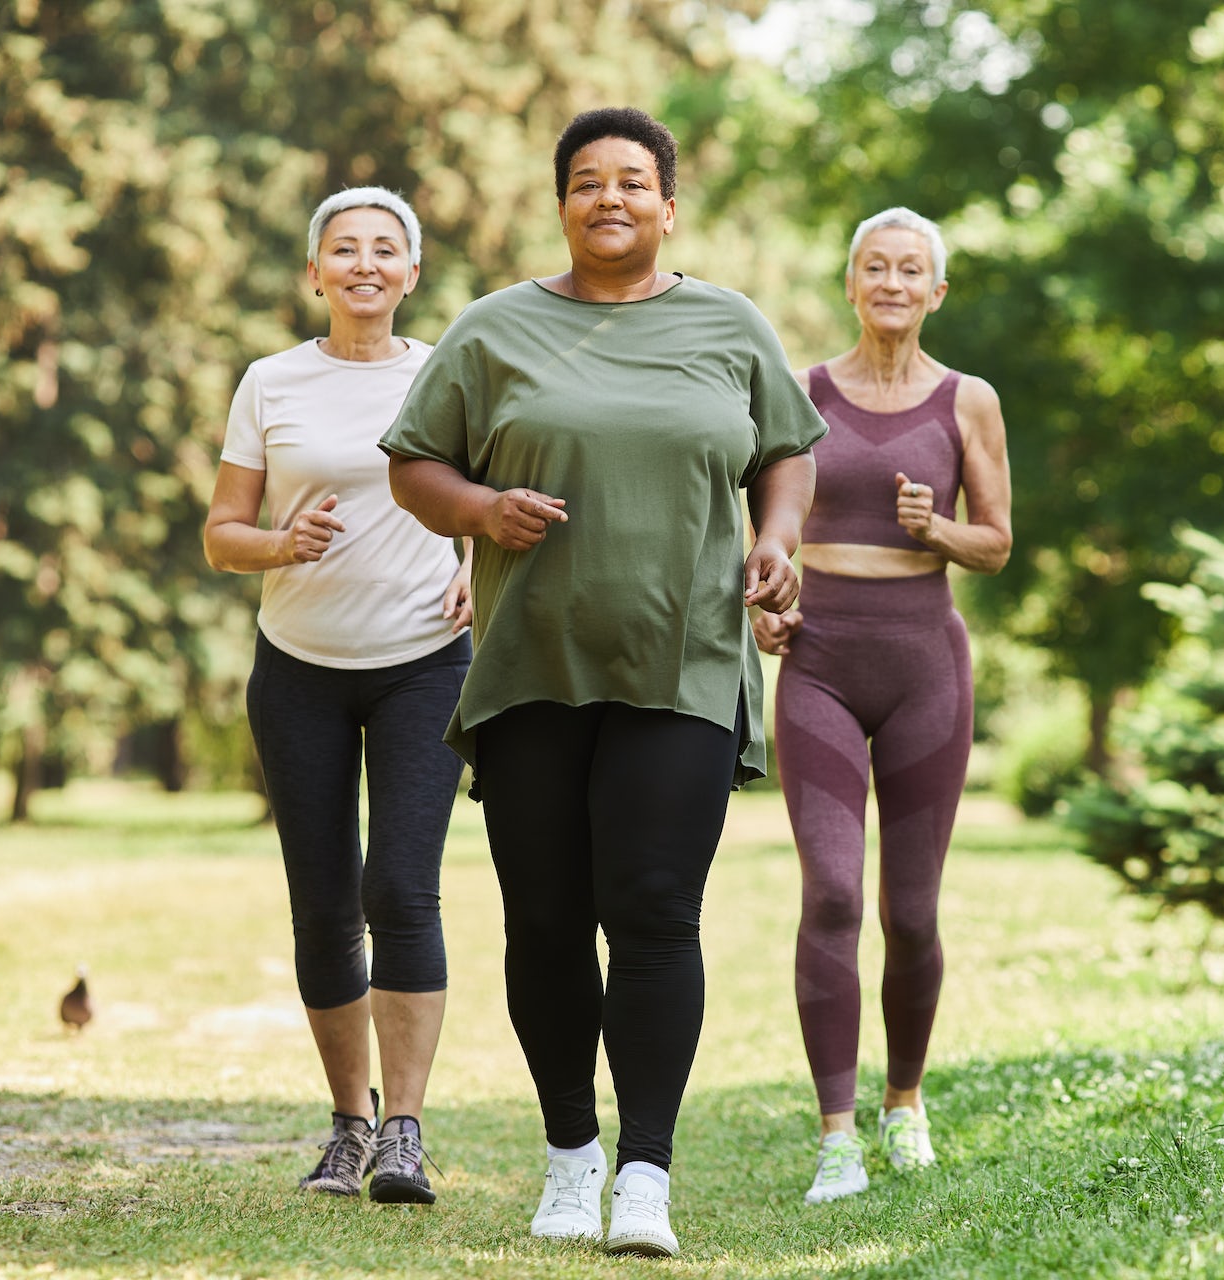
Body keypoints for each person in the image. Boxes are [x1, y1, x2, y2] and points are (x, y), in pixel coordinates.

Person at [381, 106, 824, 1258]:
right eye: (588, 181)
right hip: (533, 665)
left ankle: (645, 1176)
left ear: (669, 207)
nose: (610, 198)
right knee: (546, 919)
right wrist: (479, 509)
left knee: (655, 909)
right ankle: (570, 1156)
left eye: (634, 181)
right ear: (562, 203)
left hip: (683, 662)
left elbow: (786, 452)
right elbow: (416, 463)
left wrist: (777, 540)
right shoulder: (494, 328)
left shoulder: (730, 324)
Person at [202, 186, 473, 1205]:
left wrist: (480, 562)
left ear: (411, 271)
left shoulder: (451, 371)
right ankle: (349, 1124)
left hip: (423, 662)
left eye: (385, 248)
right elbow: (221, 530)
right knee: (323, 904)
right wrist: (281, 541)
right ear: (315, 274)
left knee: (400, 887)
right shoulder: (272, 380)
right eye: (344, 249)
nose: (365, 263)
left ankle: (406, 1126)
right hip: (298, 668)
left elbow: (497, 494)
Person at [752, 207, 1013, 1205]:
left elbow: (995, 542)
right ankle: (835, 1135)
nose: (894, 282)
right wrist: (767, 612)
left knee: (912, 910)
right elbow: (767, 530)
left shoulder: (968, 400)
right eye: (876, 267)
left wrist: (933, 528)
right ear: (851, 283)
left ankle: (904, 1102)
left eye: (912, 270)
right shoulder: (804, 394)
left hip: (925, 664)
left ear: (936, 291)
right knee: (831, 893)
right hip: (820, 659)